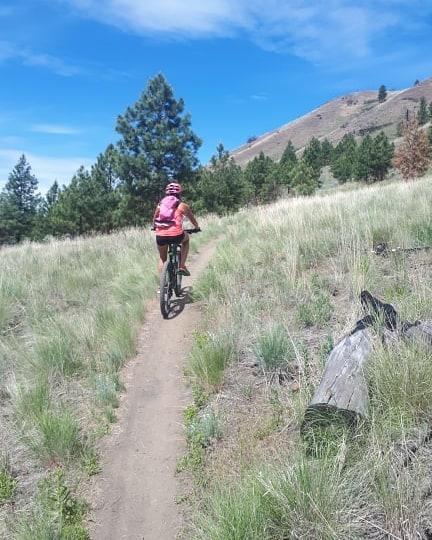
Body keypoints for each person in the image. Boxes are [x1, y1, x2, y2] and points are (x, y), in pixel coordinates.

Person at [153, 182, 200, 276]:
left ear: (167, 193)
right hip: (177, 235)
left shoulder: (160, 204)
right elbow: (192, 219)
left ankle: (162, 286)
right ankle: (182, 266)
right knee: (186, 240)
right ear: (179, 193)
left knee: (162, 258)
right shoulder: (182, 205)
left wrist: (155, 227)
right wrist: (196, 227)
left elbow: (154, 219)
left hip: (160, 235)